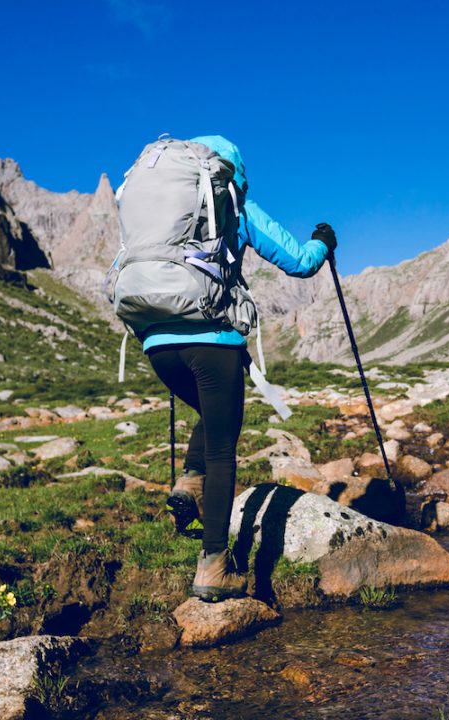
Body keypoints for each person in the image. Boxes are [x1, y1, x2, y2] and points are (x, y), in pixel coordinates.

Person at [141, 135, 336, 602]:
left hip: (157, 345)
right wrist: (323, 242)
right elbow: (298, 262)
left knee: (212, 415)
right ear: (233, 173)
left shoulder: (159, 218)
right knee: (223, 447)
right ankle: (213, 566)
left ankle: (189, 482)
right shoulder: (236, 207)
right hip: (214, 342)